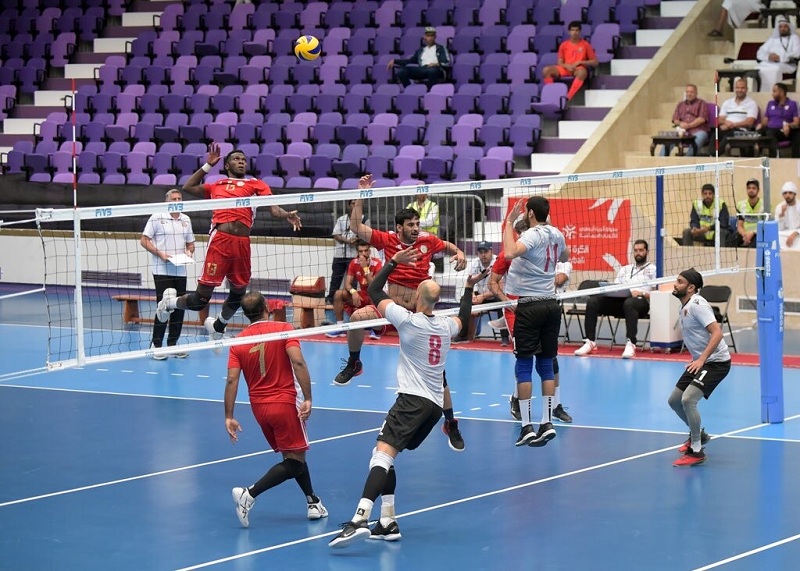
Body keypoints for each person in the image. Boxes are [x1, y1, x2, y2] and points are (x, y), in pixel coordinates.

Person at [328, 248, 479, 549]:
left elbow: (374, 291)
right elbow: (464, 317)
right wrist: (468, 287)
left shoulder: (408, 321)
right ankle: (388, 521)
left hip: (411, 401)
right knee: (387, 456)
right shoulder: (447, 326)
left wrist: (393, 262)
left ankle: (359, 519)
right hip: (433, 408)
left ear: (417, 297)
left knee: (380, 457)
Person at [334, 174, 468, 452]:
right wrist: (361, 194)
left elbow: (448, 246)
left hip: (417, 315)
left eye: (418, 224)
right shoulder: (387, 240)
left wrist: (459, 254)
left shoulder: (428, 241)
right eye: (411, 225)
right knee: (356, 320)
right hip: (392, 309)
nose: (416, 228)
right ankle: (355, 363)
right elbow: (356, 226)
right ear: (399, 227)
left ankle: (450, 422)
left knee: (439, 375)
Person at [156, 144, 302, 340]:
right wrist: (208, 165)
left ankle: (218, 326)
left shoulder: (256, 184)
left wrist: (286, 215)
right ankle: (169, 303)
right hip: (220, 242)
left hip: (242, 244)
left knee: (238, 293)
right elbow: (188, 187)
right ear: (226, 165)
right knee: (200, 300)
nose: (241, 162)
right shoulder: (217, 185)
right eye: (236, 159)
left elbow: (274, 210)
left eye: (243, 160)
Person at [225, 292, 328, 526]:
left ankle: (313, 502)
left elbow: (232, 380)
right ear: (267, 307)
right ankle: (249, 494)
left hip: (259, 409)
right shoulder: (284, 328)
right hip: (285, 402)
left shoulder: (238, 341)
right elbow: (298, 361)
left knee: (293, 454)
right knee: (294, 461)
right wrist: (308, 397)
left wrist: (229, 416)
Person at [489, 221, 572, 424]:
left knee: (550, 359)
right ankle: (517, 399)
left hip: (540, 306)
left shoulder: (545, 251)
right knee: (525, 359)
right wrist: (507, 301)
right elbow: (493, 282)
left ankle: (555, 405)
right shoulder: (508, 255)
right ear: (519, 234)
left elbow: (564, 260)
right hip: (516, 311)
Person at [503, 196, 568, 447]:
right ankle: (547, 422)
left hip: (530, 305)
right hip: (551, 304)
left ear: (530, 213)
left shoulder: (531, 235)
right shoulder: (557, 233)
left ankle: (526, 427)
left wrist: (509, 223)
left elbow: (510, 252)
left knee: (523, 365)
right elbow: (565, 256)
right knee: (546, 363)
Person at [668, 269, 731, 467]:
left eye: (680, 282)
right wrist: (699, 359)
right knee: (674, 401)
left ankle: (696, 452)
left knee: (688, 400)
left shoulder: (697, 305)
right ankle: (699, 435)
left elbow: (717, 333)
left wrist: (702, 359)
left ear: (691, 288)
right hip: (700, 361)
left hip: (716, 362)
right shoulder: (684, 305)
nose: (675, 284)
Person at [574, 240, 657, 360]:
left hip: (640, 302)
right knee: (593, 301)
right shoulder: (625, 269)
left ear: (647, 252)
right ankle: (590, 342)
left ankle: (631, 343)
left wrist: (642, 293)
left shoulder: (653, 269)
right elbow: (616, 288)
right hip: (621, 302)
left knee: (630, 303)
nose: (638, 253)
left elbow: (657, 294)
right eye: (636, 250)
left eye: (641, 250)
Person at [140, 189, 195, 359]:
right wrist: (160, 254)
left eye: (179, 198)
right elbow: (144, 240)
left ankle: (173, 344)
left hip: (180, 269)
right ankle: (156, 345)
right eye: (174, 199)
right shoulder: (157, 217)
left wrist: (189, 252)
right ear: (167, 201)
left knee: (180, 306)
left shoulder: (186, 219)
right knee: (163, 307)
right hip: (161, 269)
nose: (177, 201)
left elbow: (191, 244)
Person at [326, 240, 383, 337]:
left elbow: (374, 286)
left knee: (374, 295)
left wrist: (365, 268)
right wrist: (353, 292)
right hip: (361, 296)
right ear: (357, 252)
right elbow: (347, 284)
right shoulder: (353, 263)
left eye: (366, 251)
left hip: (374, 296)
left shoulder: (377, 263)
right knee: (338, 294)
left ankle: (376, 329)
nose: (363, 253)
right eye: (361, 251)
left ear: (369, 251)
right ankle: (340, 327)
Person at [452, 240, 499, 343]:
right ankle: (463, 335)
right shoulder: (474, 263)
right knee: (465, 299)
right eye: (480, 252)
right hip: (479, 294)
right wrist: (473, 295)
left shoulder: (498, 262)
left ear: (491, 251)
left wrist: (483, 296)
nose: (483, 255)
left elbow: (501, 288)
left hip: (495, 295)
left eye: (486, 252)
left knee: (502, 301)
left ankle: (504, 337)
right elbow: (470, 282)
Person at [541, 20, 598, 101]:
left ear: (579, 32)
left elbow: (595, 62)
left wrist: (581, 62)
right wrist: (566, 66)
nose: (574, 32)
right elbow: (559, 61)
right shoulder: (564, 45)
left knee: (582, 72)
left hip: (578, 69)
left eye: (577, 30)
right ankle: (551, 94)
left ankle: (568, 97)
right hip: (565, 68)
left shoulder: (586, 45)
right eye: (572, 30)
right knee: (546, 70)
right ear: (569, 32)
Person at [326, 200, 369, 305]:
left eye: (356, 203)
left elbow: (367, 234)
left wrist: (357, 240)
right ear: (348, 205)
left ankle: (351, 301)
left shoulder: (364, 219)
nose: (354, 205)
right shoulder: (341, 219)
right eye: (352, 203)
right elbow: (336, 235)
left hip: (354, 255)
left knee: (353, 280)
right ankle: (330, 299)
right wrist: (348, 241)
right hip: (339, 255)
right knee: (335, 278)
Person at [661, 84, 710, 156]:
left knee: (700, 137)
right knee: (668, 139)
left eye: (691, 92)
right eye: (687, 92)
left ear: (696, 93)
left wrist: (689, 125)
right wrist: (680, 123)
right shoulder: (680, 104)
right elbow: (675, 119)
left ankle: (688, 159)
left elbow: (702, 119)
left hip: (698, 130)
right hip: (682, 131)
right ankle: (660, 160)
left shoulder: (701, 103)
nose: (689, 94)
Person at [756, 17, 800, 93]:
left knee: (775, 69)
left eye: (785, 26)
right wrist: (768, 57)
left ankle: (774, 93)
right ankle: (762, 93)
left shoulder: (794, 38)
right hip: (770, 62)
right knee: (758, 68)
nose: (783, 29)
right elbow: (760, 52)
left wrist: (780, 58)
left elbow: (797, 53)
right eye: (781, 27)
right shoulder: (773, 39)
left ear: (789, 28)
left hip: (787, 64)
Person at [717, 77, 759, 156]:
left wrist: (733, 125)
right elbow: (720, 119)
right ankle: (710, 154)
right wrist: (726, 123)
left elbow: (750, 122)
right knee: (716, 132)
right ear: (734, 89)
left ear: (747, 89)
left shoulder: (752, 103)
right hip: (726, 127)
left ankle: (714, 155)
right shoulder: (727, 102)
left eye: (742, 88)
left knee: (728, 135)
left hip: (741, 130)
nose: (740, 90)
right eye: (737, 87)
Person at [758, 82, 800, 158]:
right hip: (771, 130)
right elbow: (765, 121)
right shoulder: (770, 103)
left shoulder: (792, 104)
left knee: (797, 133)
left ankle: (796, 159)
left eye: (774, 91)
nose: (772, 94)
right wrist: (761, 124)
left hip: (785, 131)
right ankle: (775, 157)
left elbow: (796, 122)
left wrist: (788, 125)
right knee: (765, 132)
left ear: (781, 92)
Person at [406, 193, 442, 272]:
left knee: (427, 260)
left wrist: (413, 222)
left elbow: (429, 222)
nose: (421, 194)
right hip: (413, 237)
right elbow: (405, 220)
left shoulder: (433, 206)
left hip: (429, 237)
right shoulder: (410, 206)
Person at [734, 178, 764, 247]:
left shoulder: (765, 204)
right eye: (749, 188)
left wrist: (753, 233)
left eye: (753, 188)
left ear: (758, 190)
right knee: (732, 239)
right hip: (744, 233)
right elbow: (739, 225)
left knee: (756, 242)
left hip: (758, 233)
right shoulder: (740, 205)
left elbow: (765, 225)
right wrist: (745, 235)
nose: (751, 190)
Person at [775, 180, 800, 247]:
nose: (787, 195)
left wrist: (795, 233)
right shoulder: (779, 207)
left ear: (794, 194)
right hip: (784, 235)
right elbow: (779, 229)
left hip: (798, 234)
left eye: (790, 193)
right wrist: (782, 214)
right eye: (785, 193)